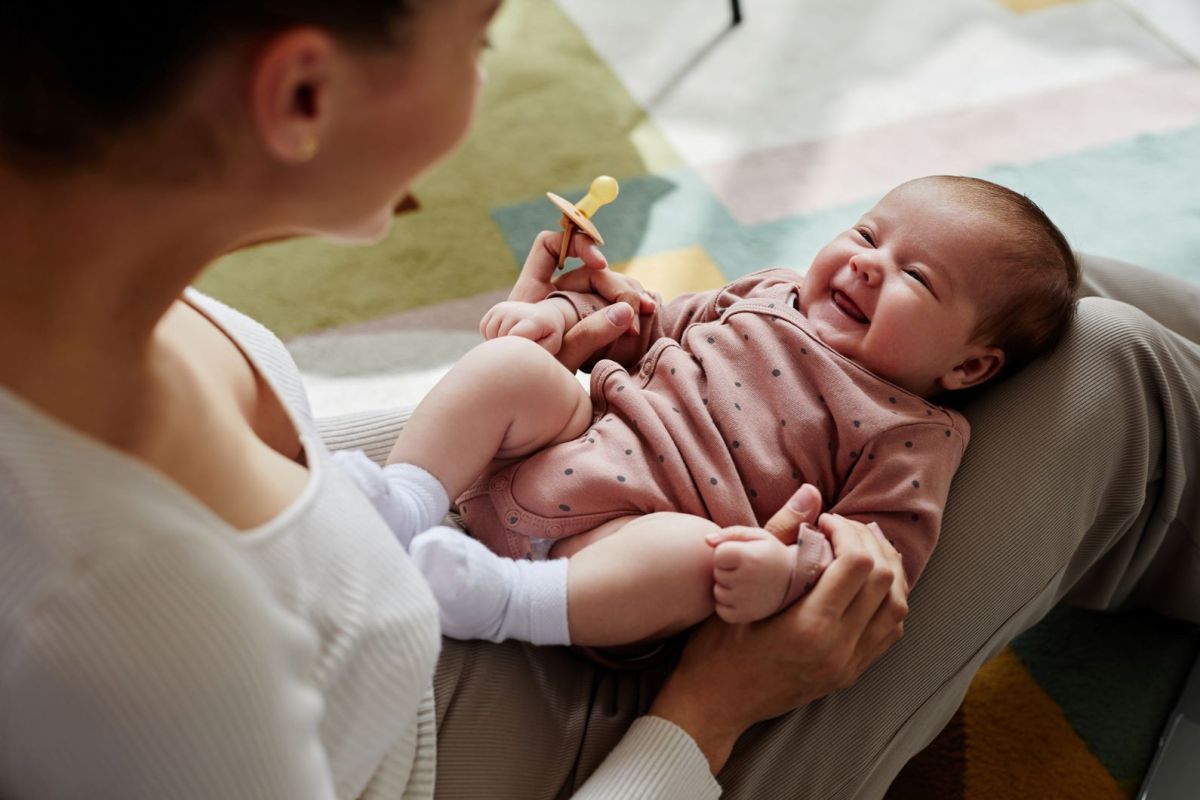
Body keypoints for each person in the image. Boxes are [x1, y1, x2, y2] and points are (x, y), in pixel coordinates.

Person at [0, 2, 909, 798]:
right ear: (303, 95)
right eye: (479, 40)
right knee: (1052, 369)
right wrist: (712, 712)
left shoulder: (84, 302)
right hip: (451, 746)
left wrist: (521, 397)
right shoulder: (134, 620)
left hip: (408, 581)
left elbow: (288, 500)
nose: (483, 83)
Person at [375, 175, 1079, 649]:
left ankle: (504, 602)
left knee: (693, 558)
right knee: (515, 369)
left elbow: (872, 554)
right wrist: (558, 315)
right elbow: (640, 325)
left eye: (917, 278)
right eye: (867, 237)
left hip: (613, 551)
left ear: (968, 367)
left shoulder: (915, 434)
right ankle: (402, 500)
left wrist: (782, 573)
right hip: (575, 434)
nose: (868, 265)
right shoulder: (772, 290)